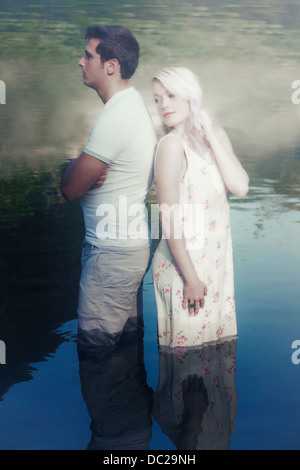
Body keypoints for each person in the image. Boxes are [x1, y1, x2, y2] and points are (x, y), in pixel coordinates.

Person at [61, 25, 157, 348]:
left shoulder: (117, 115)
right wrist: (82, 165)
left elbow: (71, 189)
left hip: (110, 257)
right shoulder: (130, 106)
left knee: (97, 359)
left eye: (88, 55)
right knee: (124, 356)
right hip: (125, 252)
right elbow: (81, 178)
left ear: (111, 66)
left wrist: (75, 165)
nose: (80, 61)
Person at [152, 67, 249, 348]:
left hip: (216, 266)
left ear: (191, 95)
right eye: (157, 99)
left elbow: (240, 187)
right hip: (185, 268)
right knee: (189, 369)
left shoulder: (215, 135)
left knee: (218, 358)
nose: (164, 104)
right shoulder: (170, 146)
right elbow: (168, 219)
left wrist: (210, 135)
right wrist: (192, 279)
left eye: (171, 94)